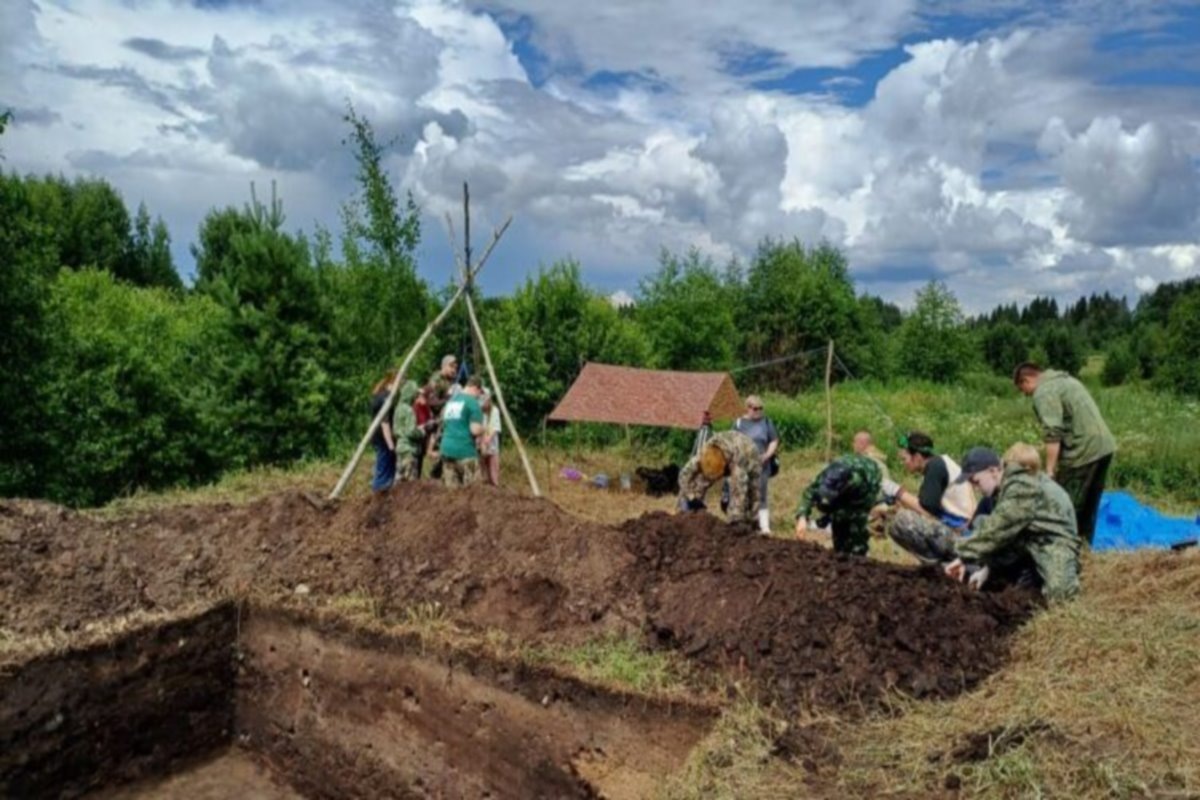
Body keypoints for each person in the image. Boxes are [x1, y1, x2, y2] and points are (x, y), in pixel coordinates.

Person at [896, 444, 1082, 602]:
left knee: (1060, 595)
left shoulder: (1021, 486)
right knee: (982, 522)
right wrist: (988, 569)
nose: (975, 488)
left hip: (1053, 541)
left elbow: (998, 529)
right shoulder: (1008, 486)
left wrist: (962, 556)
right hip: (1028, 539)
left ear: (993, 471)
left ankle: (1042, 571)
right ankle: (1023, 572)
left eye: (976, 481)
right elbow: (1007, 534)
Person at [1013, 362, 1116, 545]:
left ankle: (1063, 548)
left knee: (1064, 503)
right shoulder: (1065, 380)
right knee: (1090, 505)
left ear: (1026, 380)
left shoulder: (1043, 392)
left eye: (1023, 390)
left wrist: (1050, 471)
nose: (1026, 394)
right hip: (1104, 446)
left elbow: (1053, 433)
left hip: (1082, 450)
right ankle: (1084, 548)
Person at [793, 454, 883, 555]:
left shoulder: (857, 481)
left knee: (853, 527)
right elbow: (810, 492)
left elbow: (859, 508)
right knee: (838, 526)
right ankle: (840, 553)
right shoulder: (827, 474)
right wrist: (802, 517)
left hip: (868, 485)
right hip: (846, 486)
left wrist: (837, 514)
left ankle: (859, 554)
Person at [677, 430, 762, 524]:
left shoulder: (738, 462)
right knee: (699, 481)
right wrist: (692, 497)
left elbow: (739, 492)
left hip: (749, 455)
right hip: (727, 452)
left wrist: (736, 518)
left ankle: (752, 521)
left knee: (752, 493)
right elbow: (683, 476)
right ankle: (688, 513)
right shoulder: (703, 454)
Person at [734, 395, 780, 534]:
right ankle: (744, 522)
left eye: (760, 408)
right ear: (747, 408)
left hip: (762, 463)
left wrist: (767, 454)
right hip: (743, 464)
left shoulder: (766, 422)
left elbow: (774, 440)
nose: (758, 411)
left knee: (761, 493)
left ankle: (764, 526)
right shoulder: (739, 423)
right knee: (743, 493)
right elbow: (733, 441)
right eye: (755, 409)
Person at [438, 376, 486, 487]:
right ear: (475, 388)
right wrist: (484, 429)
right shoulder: (472, 403)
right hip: (465, 451)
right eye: (479, 393)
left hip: (446, 450)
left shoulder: (451, 401)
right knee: (473, 492)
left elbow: (444, 423)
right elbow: (475, 430)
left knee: (452, 493)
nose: (479, 396)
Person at [394, 381, 432, 482]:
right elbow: (411, 432)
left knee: (399, 481)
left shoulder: (398, 408)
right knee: (410, 485)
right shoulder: (409, 410)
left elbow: (396, 429)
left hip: (400, 448)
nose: (416, 397)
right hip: (409, 449)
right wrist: (421, 432)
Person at [368, 372, 398, 492]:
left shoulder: (380, 395)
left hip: (377, 436)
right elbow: (385, 423)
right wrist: (391, 445)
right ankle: (378, 492)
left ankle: (380, 490)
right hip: (383, 438)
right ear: (393, 381)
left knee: (382, 466)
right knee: (384, 468)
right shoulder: (386, 398)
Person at [478, 389, 502, 487]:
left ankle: (495, 486)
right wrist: (482, 440)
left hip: (492, 445)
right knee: (481, 469)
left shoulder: (494, 410)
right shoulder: (478, 410)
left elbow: (496, 427)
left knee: (493, 470)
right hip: (480, 444)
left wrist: (488, 439)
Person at [412, 385, 434, 478]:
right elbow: (412, 427)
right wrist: (424, 425)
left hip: (423, 438)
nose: (427, 400)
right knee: (414, 464)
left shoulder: (426, 408)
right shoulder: (414, 408)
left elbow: (430, 418)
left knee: (420, 462)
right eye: (425, 397)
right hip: (415, 439)